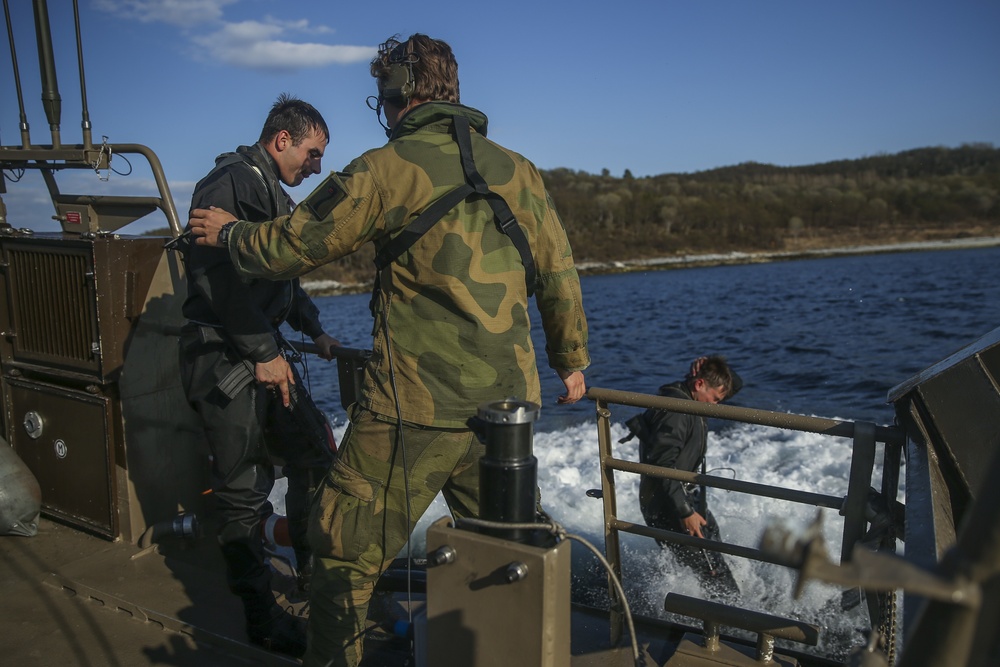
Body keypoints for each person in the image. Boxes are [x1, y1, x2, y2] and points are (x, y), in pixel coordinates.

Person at [189, 33, 591, 667]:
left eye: (382, 99)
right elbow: (559, 272)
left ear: (402, 94)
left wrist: (232, 233)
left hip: (411, 410)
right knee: (512, 555)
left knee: (342, 560)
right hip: (504, 413)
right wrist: (571, 361)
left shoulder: (386, 168)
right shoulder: (520, 170)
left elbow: (297, 244)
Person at [178, 94, 340, 658]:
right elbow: (218, 283)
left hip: (266, 353)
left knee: (315, 459)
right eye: (313, 154)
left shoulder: (270, 194)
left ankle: (315, 580)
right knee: (244, 494)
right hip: (226, 359)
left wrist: (315, 330)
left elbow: (280, 278)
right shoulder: (229, 184)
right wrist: (261, 352)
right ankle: (260, 617)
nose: (315, 166)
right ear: (282, 140)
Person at [623, 355, 742, 599]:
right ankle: (729, 626)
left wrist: (712, 362)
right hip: (670, 504)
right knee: (713, 574)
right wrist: (685, 512)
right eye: (715, 399)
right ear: (699, 385)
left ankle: (724, 616)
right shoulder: (677, 412)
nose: (716, 406)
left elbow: (733, 385)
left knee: (714, 561)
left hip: (684, 496)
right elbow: (663, 467)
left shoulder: (691, 398)